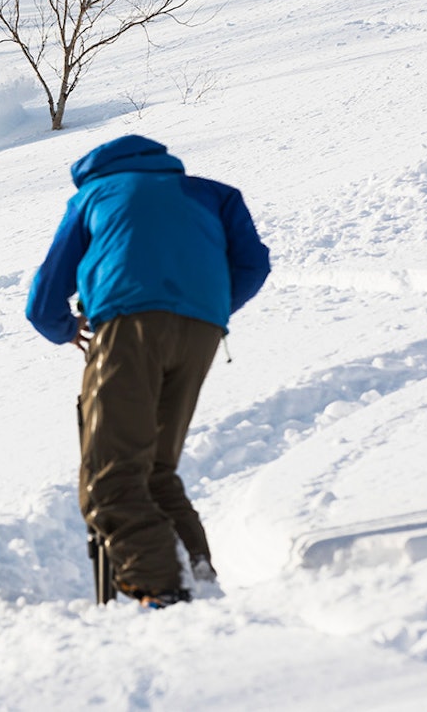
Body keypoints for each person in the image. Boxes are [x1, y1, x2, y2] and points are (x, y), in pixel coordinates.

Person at [26, 134, 270, 608]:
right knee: (156, 468)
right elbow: (253, 265)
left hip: (127, 327)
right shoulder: (213, 193)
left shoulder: (93, 195)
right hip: (202, 332)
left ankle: (163, 590)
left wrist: (65, 328)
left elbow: (45, 297)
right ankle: (196, 574)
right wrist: (205, 309)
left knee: (111, 475)